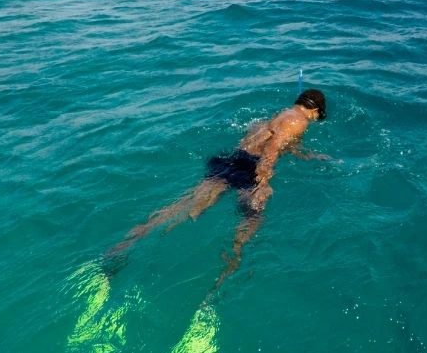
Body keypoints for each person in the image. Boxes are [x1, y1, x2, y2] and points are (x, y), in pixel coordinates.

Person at [106, 89, 328, 292]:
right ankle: (225, 276)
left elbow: (276, 140)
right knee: (252, 218)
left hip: (231, 160)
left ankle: (126, 244)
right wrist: (263, 180)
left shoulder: (281, 115)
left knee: (187, 205)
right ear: (315, 111)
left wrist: (309, 155)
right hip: (252, 167)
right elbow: (272, 148)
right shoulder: (299, 121)